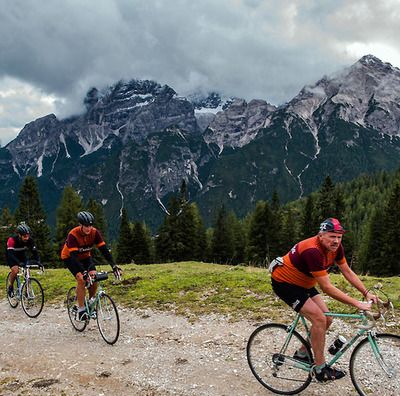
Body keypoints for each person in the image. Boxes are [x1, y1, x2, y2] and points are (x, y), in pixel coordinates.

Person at [270, 218, 378, 382]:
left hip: (305, 282)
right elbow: (327, 288)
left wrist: (365, 292)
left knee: (327, 319)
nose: (336, 241)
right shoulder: (312, 251)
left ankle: (302, 354)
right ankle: (321, 371)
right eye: (332, 236)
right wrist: (357, 303)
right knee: (319, 319)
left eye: (339, 237)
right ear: (321, 235)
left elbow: (347, 271)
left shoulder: (336, 248)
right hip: (286, 283)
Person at [61, 211, 122, 321]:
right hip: (70, 257)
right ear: (80, 224)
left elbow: (104, 250)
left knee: (94, 277)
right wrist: (83, 272)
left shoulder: (94, 233)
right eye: (86, 226)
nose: (89, 228)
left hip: (85, 257)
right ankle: (81, 310)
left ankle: (90, 303)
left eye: (90, 225)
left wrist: (113, 265)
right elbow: (74, 258)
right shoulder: (73, 235)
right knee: (81, 279)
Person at [6, 224, 41, 297]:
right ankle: (10, 286)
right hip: (12, 255)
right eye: (25, 236)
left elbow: (34, 251)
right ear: (19, 235)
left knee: (27, 271)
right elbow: (10, 254)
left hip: (22, 255)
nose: (27, 238)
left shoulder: (30, 240)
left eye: (28, 236)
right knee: (15, 271)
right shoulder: (12, 240)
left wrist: (38, 261)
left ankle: (26, 291)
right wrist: (18, 263)